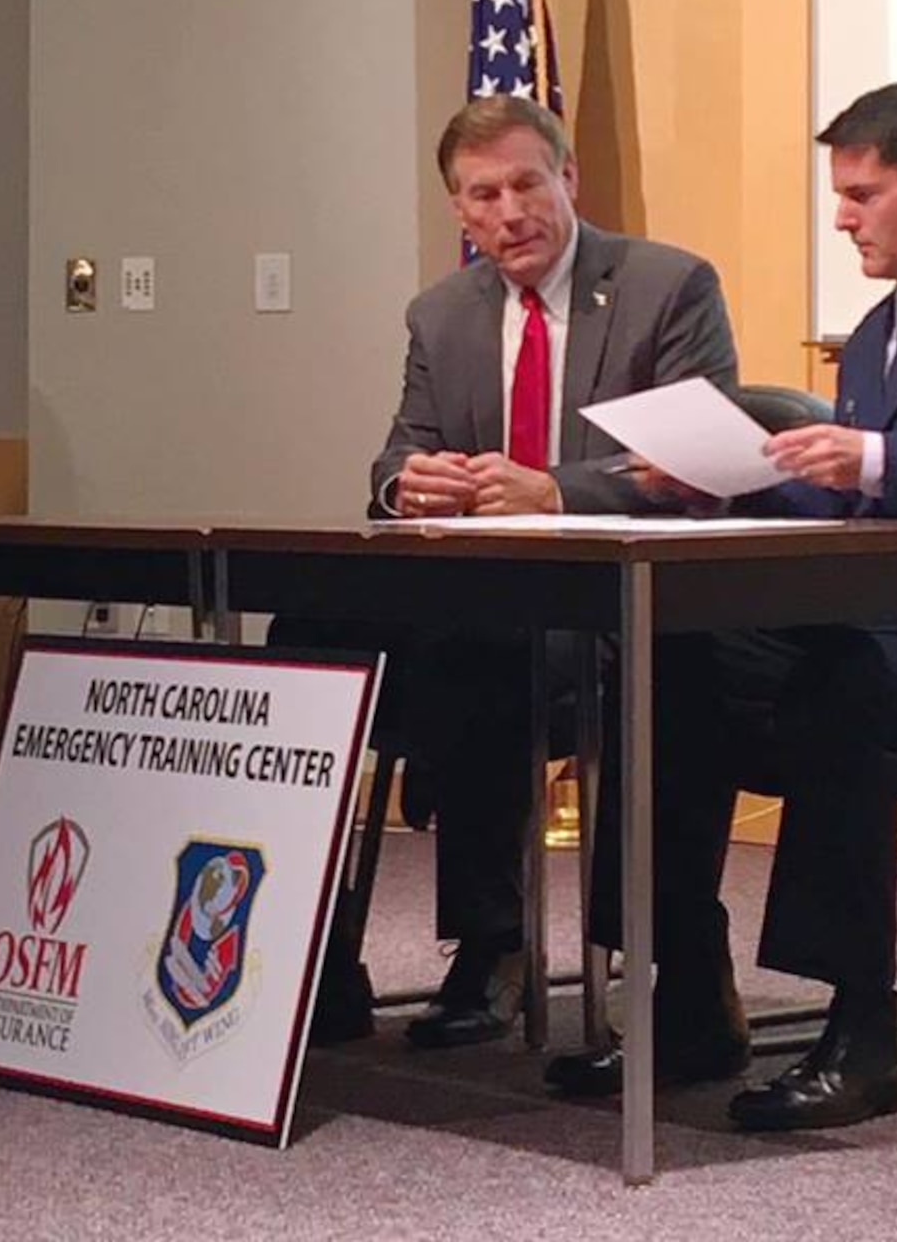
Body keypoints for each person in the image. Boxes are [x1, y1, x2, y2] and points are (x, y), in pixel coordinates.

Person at [546, 81, 897, 1130]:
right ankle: (684, 986)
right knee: (668, 646)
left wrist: (879, 454)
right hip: (895, 606)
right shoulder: (874, 332)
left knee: (841, 677)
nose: (842, 216)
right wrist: (723, 481)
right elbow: (856, 495)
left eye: (861, 193)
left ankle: (864, 1026)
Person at [274, 94, 738, 1047]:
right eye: (482, 195)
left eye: (527, 183)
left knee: (479, 657)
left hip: (614, 609)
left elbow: (700, 463)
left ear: (568, 180)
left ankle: (496, 948)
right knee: (304, 640)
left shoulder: (667, 286)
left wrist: (556, 491)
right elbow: (396, 454)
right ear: (458, 210)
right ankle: (314, 959)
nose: (508, 212)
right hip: (478, 599)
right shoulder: (441, 314)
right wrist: (412, 481)